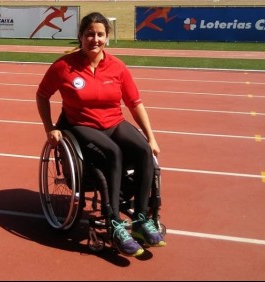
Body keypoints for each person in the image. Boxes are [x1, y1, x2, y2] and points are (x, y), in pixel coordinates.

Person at [36, 12, 166, 257]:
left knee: (144, 151)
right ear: (81, 37)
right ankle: (114, 222)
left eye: (100, 34)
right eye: (89, 34)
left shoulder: (117, 67)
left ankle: (140, 219)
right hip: (80, 124)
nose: (94, 39)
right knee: (113, 152)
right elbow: (42, 95)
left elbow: (135, 103)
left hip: (114, 122)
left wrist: (151, 136)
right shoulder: (64, 66)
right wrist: (49, 127)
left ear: (107, 37)